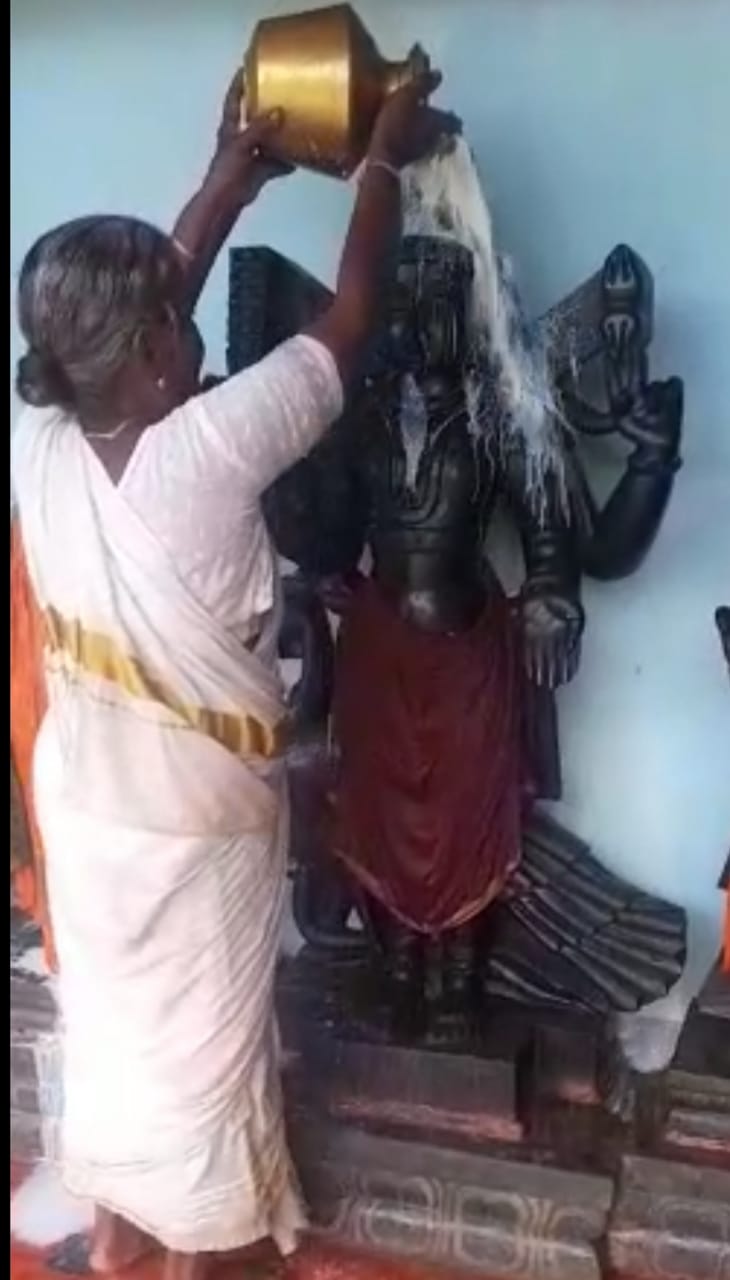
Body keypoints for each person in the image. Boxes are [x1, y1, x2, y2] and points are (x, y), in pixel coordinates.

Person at [11, 66, 459, 1280]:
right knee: (203, 1053)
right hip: (190, 816)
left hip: (86, 805)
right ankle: (191, 1252)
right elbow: (350, 323)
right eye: (172, 318)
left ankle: (116, 1227)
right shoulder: (206, 451)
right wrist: (382, 155)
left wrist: (231, 176)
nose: (186, 317)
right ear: (157, 346)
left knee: (111, 1032)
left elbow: (150, 302)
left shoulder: (41, 437)